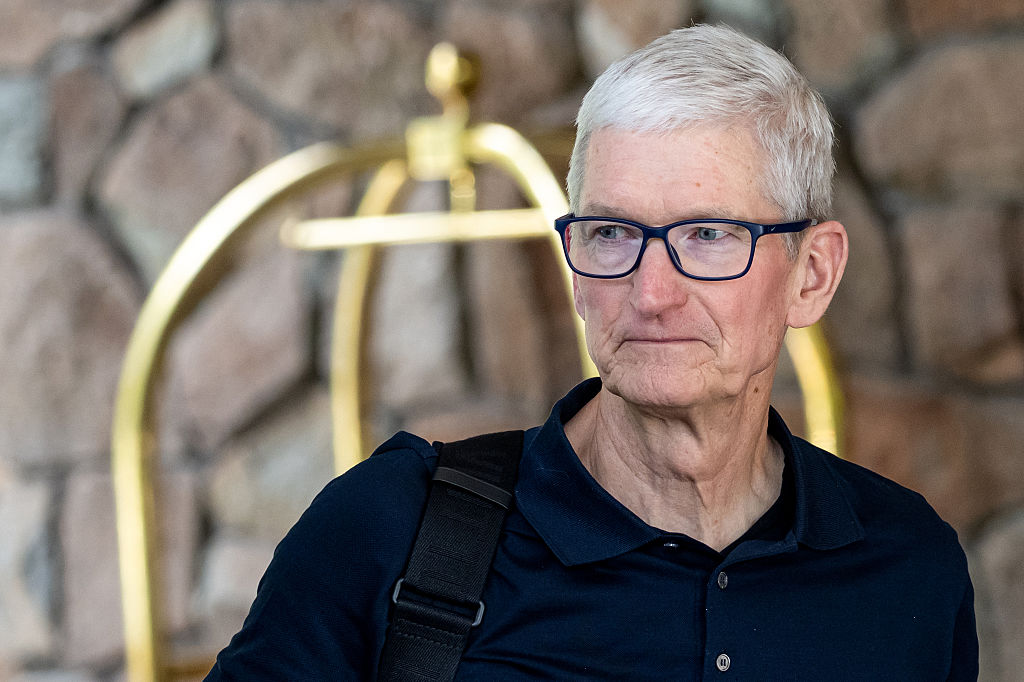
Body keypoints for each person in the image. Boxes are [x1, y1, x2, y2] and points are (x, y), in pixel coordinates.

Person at [206, 24, 978, 680]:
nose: (652, 293)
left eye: (708, 234)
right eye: (612, 233)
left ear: (811, 275)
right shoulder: (391, 533)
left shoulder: (908, 567)